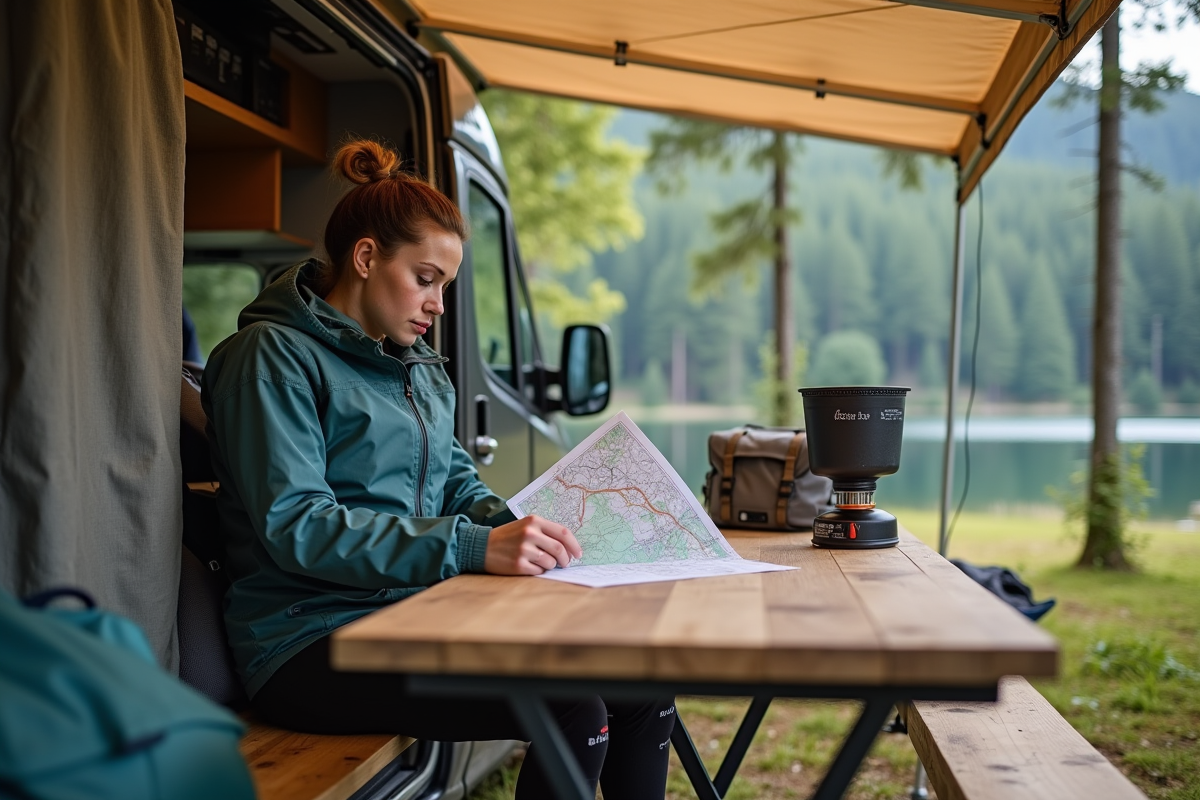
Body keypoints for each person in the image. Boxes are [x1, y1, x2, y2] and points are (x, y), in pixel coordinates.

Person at [200, 140, 675, 799]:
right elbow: (298, 526)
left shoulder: (417, 370)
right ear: (366, 258)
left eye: (445, 286)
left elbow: (456, 482)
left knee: (643, 687)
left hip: (413, 616)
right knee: (574, 708)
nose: (438, 306)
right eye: (426, 279)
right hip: (311, 642)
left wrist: (530, 528)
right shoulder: (269, 358)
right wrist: (473, 545)